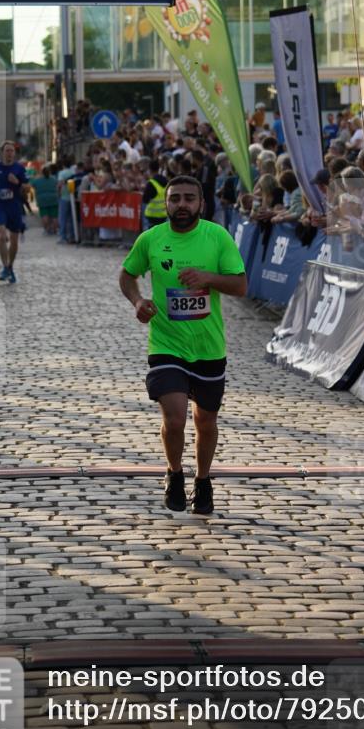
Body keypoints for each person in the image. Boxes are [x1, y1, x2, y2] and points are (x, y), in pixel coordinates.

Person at [119, 175, 247, 516]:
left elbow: (240, 285)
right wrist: (137, 302)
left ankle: (203, 480)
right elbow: (127, 274)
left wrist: (209, 279)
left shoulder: (217, 237)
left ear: (201, 204)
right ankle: (174, 473)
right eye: (175, 198)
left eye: (190, 198)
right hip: (165, 343)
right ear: (167, 203)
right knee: (174, 419)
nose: (182, 205)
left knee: (205, 422)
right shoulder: (151, 239)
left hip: (208, 347)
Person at [0, 140, 30, 283]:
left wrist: (16, 182)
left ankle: (10, 267)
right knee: (1, 236)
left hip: (15, 207)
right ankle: (5, 267)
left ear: (14, 153)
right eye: (7, 151)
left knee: (14, 242)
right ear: (2, 153)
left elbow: (27, 187)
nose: (9, 153)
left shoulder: (19, 168)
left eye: (12, 151)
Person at [31, 165, 60, 235]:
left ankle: (47, 229)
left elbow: (32, 185)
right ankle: (55, 230)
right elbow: (58, 185)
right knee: (54, 216)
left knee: (44, 215)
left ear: (42, 173)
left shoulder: (37, 180)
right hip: (53, 199)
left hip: (42, 200)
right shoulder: (54, 179)